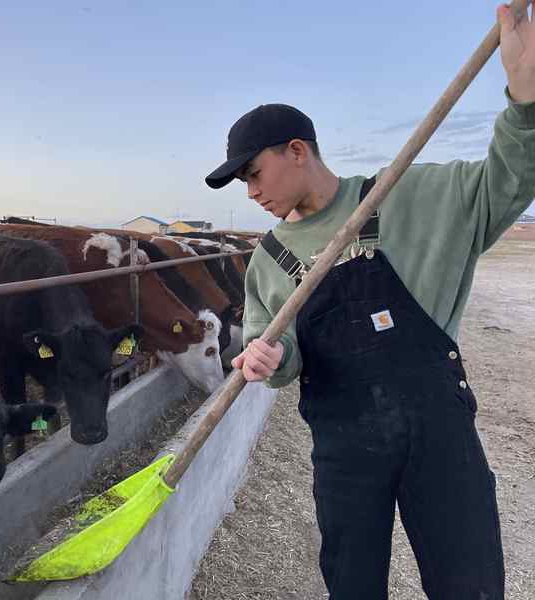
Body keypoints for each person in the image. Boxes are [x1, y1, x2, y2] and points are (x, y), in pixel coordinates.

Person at [204, 4, 535, 599]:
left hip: (440, 434)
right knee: (352, 586)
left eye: (254, 173)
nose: (250, 193)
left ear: (297, 150)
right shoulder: (269, 262)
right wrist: (267, 361)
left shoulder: (409, 196)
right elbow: (277, 355)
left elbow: (508, 180)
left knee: (471, 584)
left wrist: (525, 98)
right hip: (344, 448)